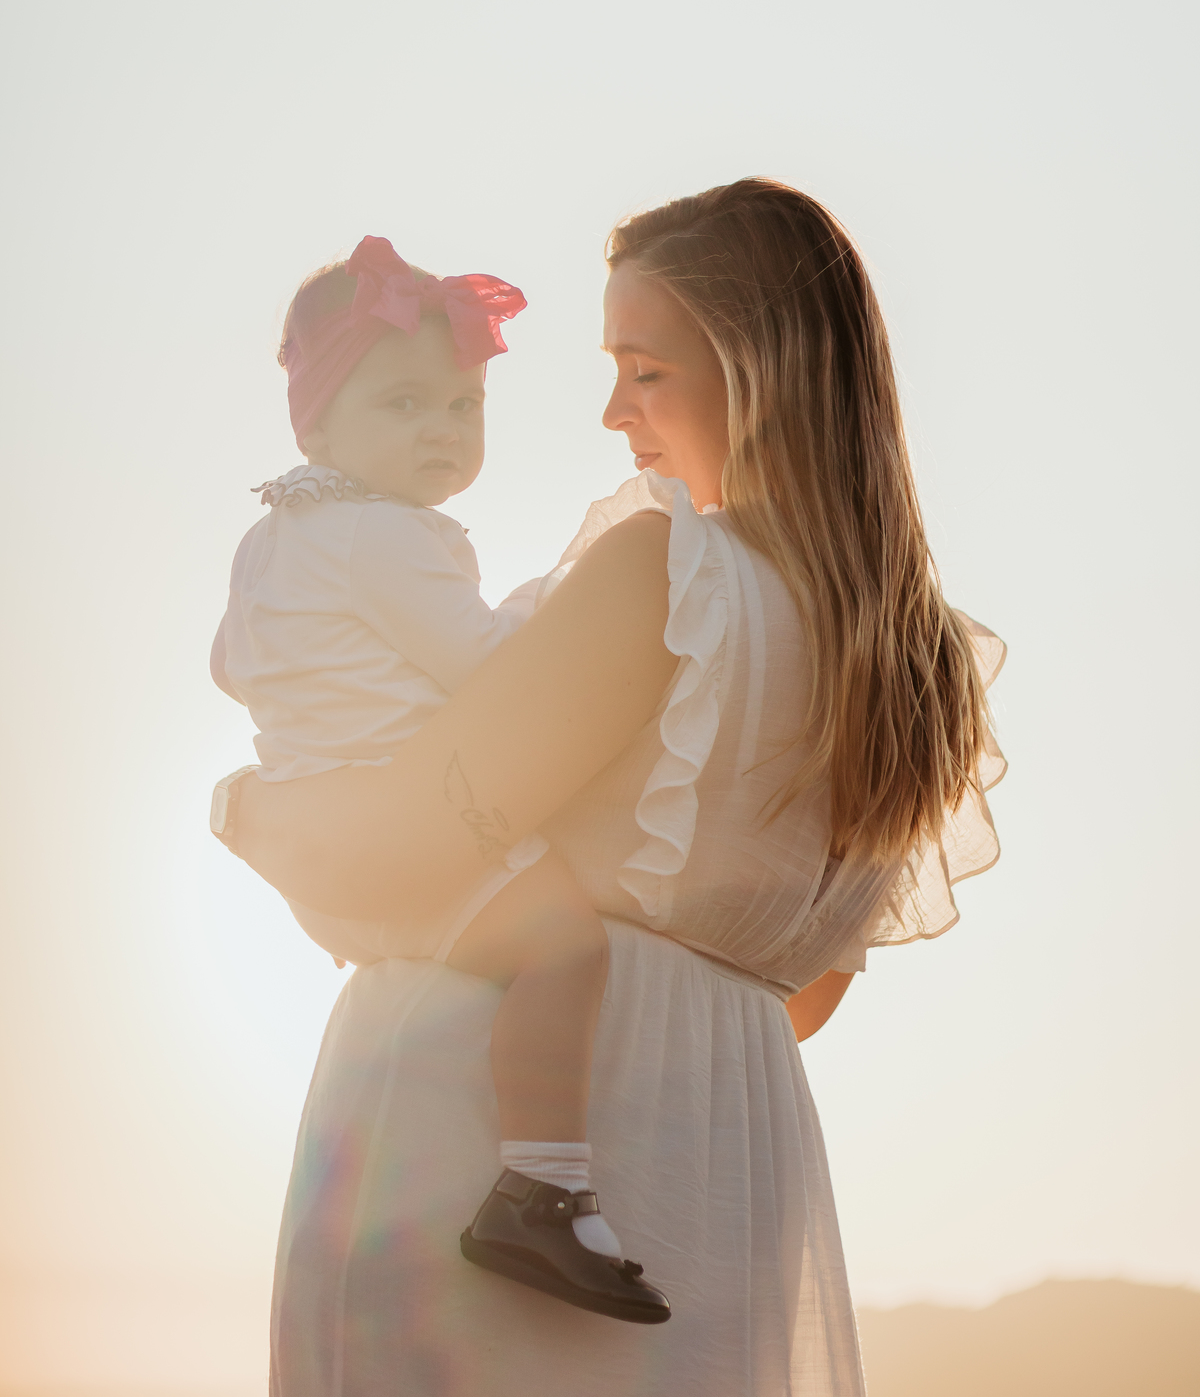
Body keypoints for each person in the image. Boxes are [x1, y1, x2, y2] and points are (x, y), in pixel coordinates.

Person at [214, 178, 1006, 1395]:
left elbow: (413, 847)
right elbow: (804, 998)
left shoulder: (664, 573)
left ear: (761, 370)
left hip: (476, 1138)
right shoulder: (915, 662)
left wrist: (254, 815)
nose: (611, 412)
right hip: (719, 1144)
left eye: (645, 370)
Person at [210, 233, 669, 1322]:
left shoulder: (271, 538)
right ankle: (543, 1187)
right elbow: (488, 671)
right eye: (404, 405)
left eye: (461, 409)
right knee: (565, 948)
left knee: (477, 981)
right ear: (317, 422)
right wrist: (547, 602)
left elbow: (229, 664)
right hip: (414, 822)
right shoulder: (389, 538)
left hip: (329, 840)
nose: (441, 431)